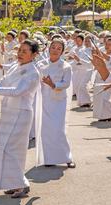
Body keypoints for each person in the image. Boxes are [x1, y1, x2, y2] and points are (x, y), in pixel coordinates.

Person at [0, 40, 41, 198]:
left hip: (21, 113)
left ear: (34, 55)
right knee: (4, 148)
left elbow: (18, 91)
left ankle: (20, 184)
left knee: (15, 149)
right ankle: (13, 183)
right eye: (20, 50)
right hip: (8, 111)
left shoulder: (33, 72)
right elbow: (1, 83)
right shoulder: (15, 66)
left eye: (25, 51)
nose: (20, 53)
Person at [38, 38, 76, 168]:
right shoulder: (41, 64)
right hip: (44, 100)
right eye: (53, 47)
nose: (55, 50)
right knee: (46, 130)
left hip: (58, 101)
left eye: (59, 48)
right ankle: (49, 159)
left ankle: (67, 157)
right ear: (49, 48)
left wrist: (53, 84)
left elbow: (66, 83)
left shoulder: (66, 66)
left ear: (62, 52)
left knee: (58, 130)